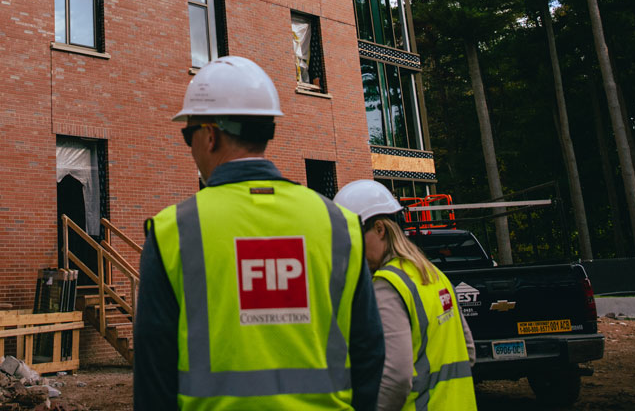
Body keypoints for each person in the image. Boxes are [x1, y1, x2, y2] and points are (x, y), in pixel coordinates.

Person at [134, 56, 385, 410]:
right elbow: (369, 352)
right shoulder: (338, 225)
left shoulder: (174, 232)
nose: (188, 147)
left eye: (186, 134)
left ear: (209, 135)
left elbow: (153, 375)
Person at [333, 180, 476, 411]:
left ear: (379, 229)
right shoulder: (434, 274)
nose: (352, 248)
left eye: (354, 238)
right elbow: (468, 352)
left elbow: (395, 379)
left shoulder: (388, 285)